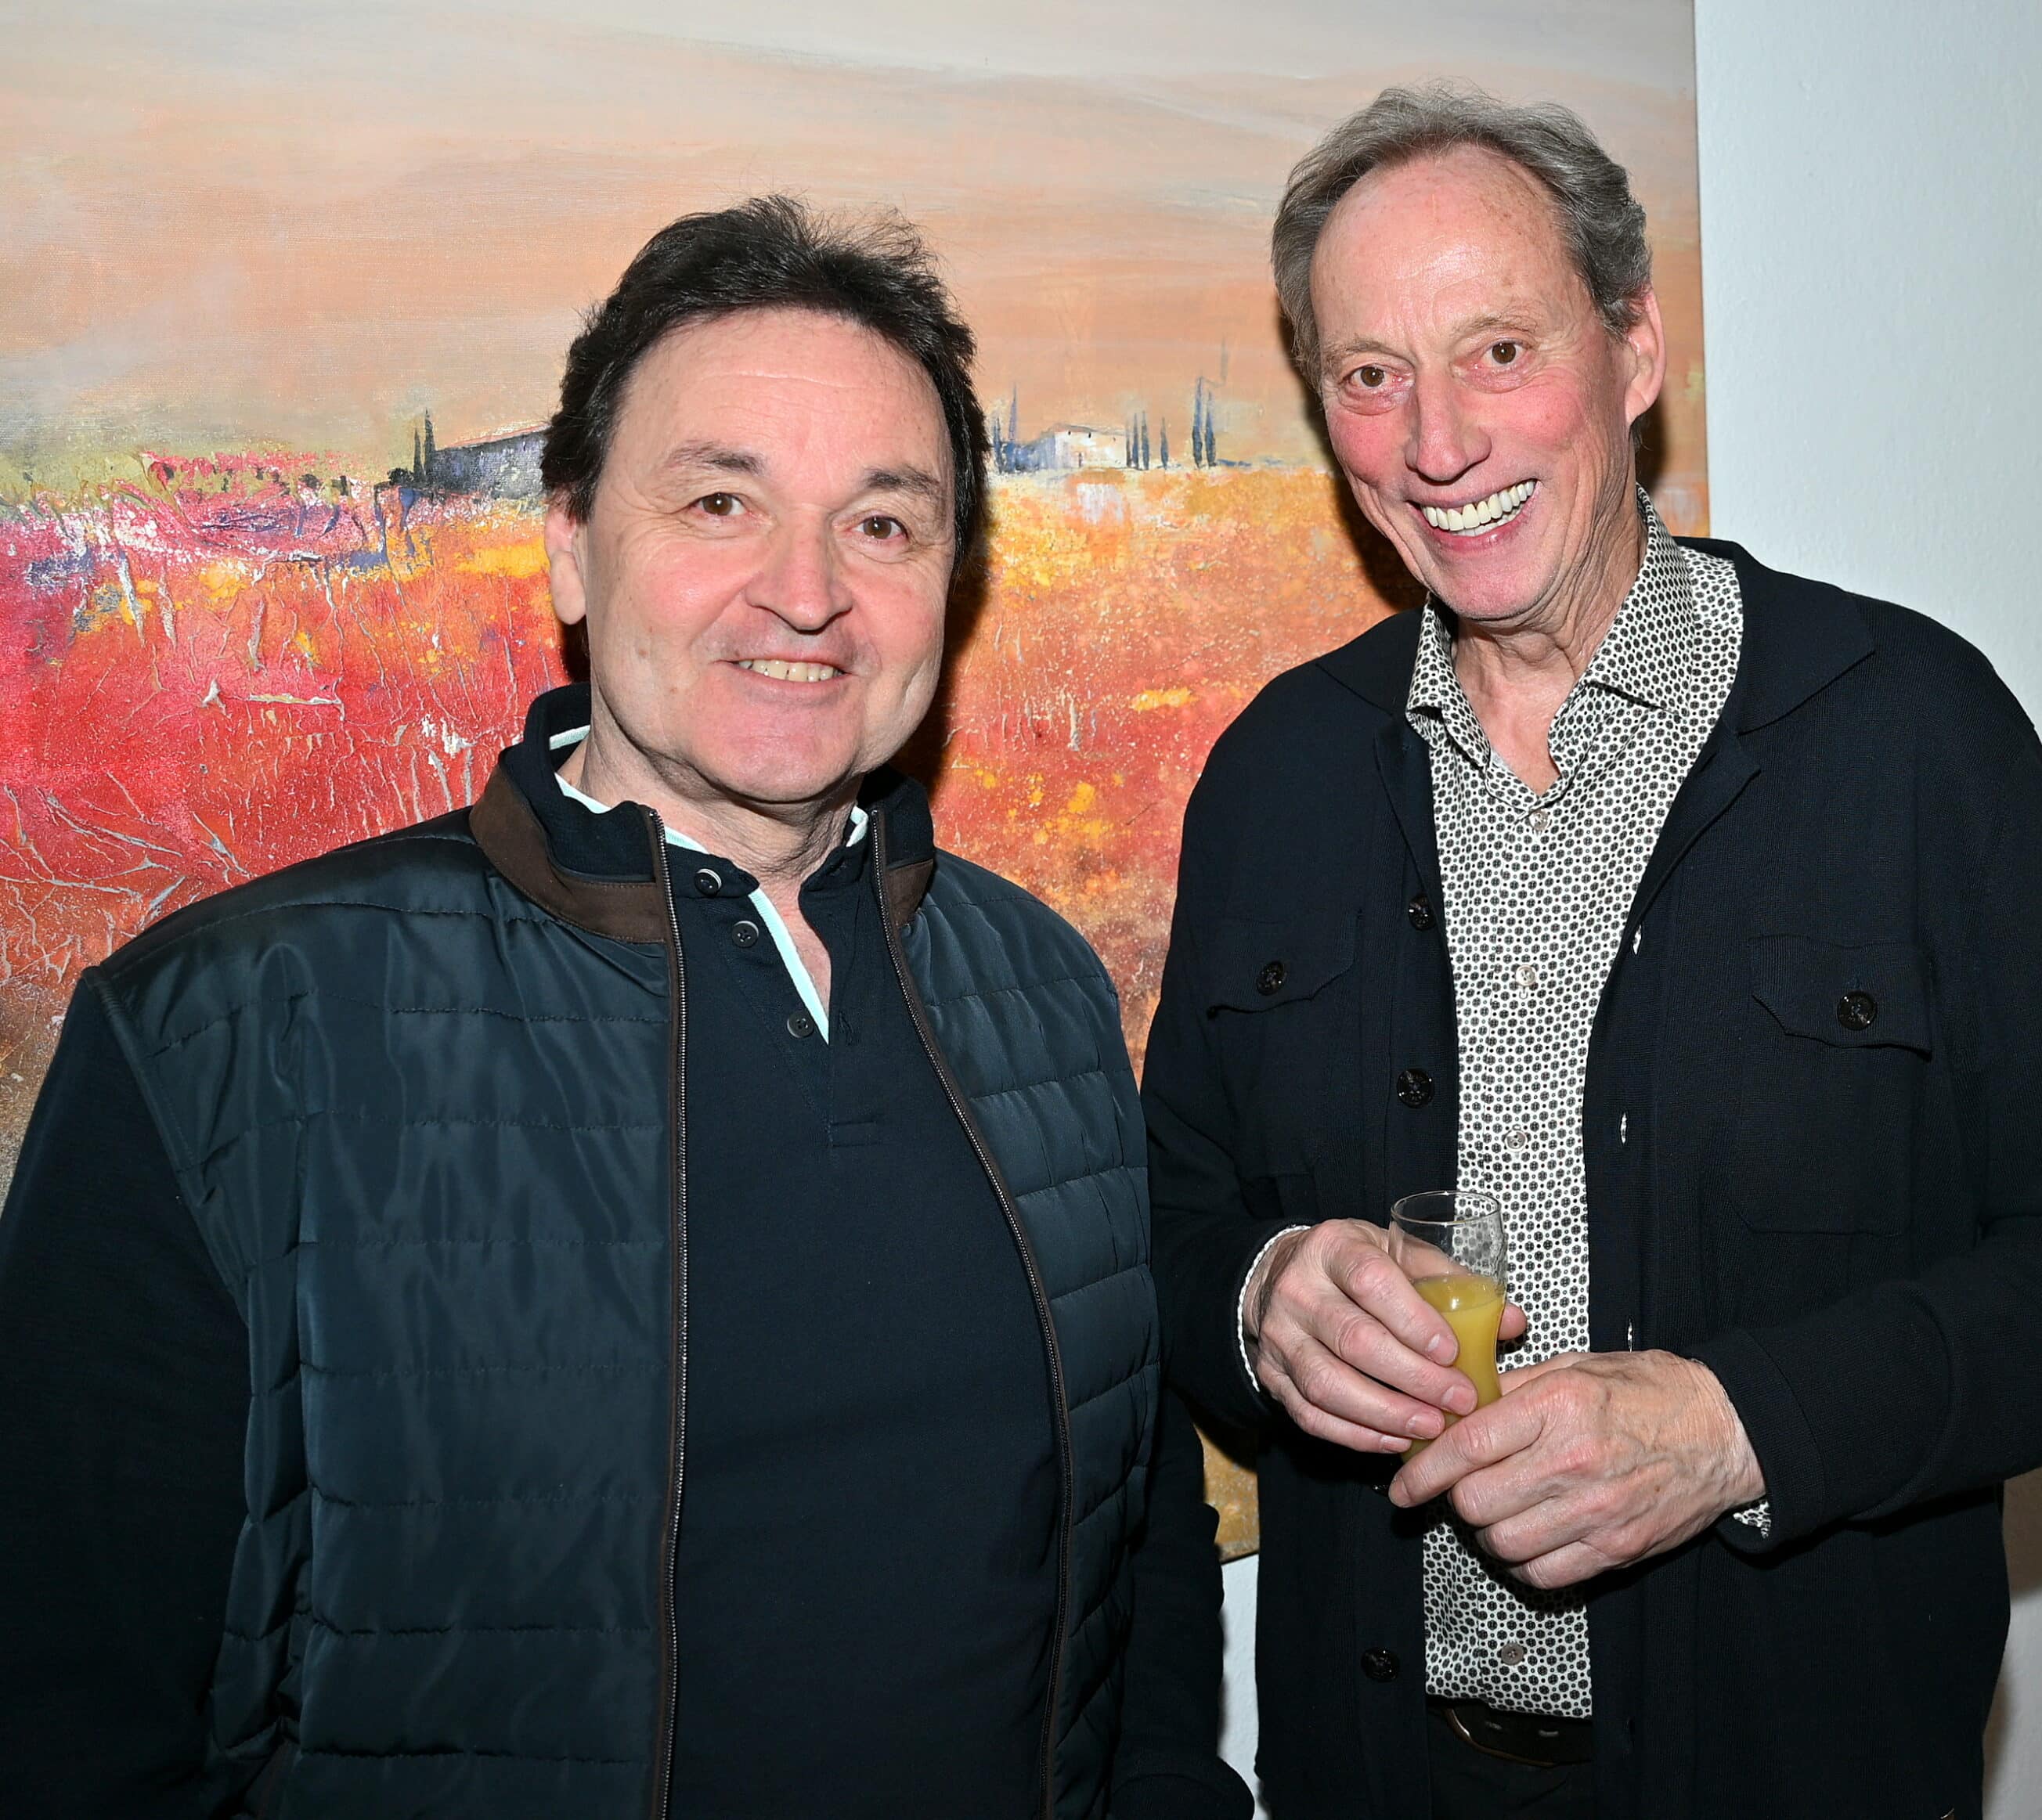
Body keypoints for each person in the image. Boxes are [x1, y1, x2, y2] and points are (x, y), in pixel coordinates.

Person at [0, 196, 1249, 1820]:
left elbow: (1136, 1548)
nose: (805, 592)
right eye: (721, 501)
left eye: (883, 522)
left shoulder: (1045, 990)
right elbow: (67, 1716)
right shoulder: (227, 1032)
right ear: (571, 543)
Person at [1143, 85, 2042, 1820]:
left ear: (1634, 346)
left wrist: (1740, 1427)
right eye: (1371, 375)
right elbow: (1173, 1223)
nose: (1439, 441)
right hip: (1382, 1776)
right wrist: (1260, 1297)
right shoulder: (1276, 775)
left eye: (1501, 350)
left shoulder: (1909, 734)